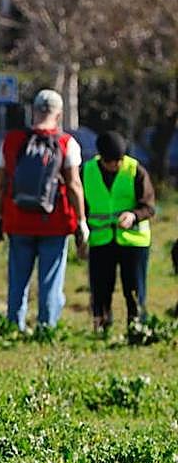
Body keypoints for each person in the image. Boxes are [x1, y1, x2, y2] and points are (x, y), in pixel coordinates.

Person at [0, 89, 89, 330]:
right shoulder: (67, 143)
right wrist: (81, 221)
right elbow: (75, 185)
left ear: (33, 111)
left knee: (17, 279)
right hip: (54, 223)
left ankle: (14, 325)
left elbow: (0, 184)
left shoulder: (12, 141)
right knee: (50, 279)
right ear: (58, 114)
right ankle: (46, 326)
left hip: (18, 219)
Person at [82, 131, 154, 330]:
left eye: (119, 160)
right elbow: (81, 207)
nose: (117, 165)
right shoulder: (87, 171)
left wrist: (133, 215)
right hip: (100, 239)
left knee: (133, 288)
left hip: (133, 240)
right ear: (102, 158)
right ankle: (101, 325)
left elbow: (149, 206)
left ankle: (137, 326)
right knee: (101, 288)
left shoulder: (135, 170)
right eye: (112, 161)